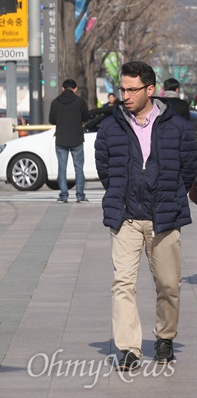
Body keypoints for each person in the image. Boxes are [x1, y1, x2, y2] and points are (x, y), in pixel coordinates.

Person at [95, 61, 197, 371]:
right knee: (123, 283)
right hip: (125, 216)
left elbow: (189, 168)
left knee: (168, 284)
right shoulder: (110, 126)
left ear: (150, 90)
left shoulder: (178, 126)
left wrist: (169, 192)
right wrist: (122, 192)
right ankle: (128, 348)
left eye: (131, 89)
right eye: (121, 89)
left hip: (164, 217)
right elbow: (104, 168)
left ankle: (164, 337)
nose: (124, 95)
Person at [48, 79, 90, 203]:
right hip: (76, 138)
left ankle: (63, 195)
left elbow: (52, 120)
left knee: (62, 168)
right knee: (79, 168)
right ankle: (80, 195)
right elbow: (86, 117)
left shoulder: (55, 102)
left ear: (62, 88)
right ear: (75, 89)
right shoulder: (80, 101)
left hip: (61, 139)